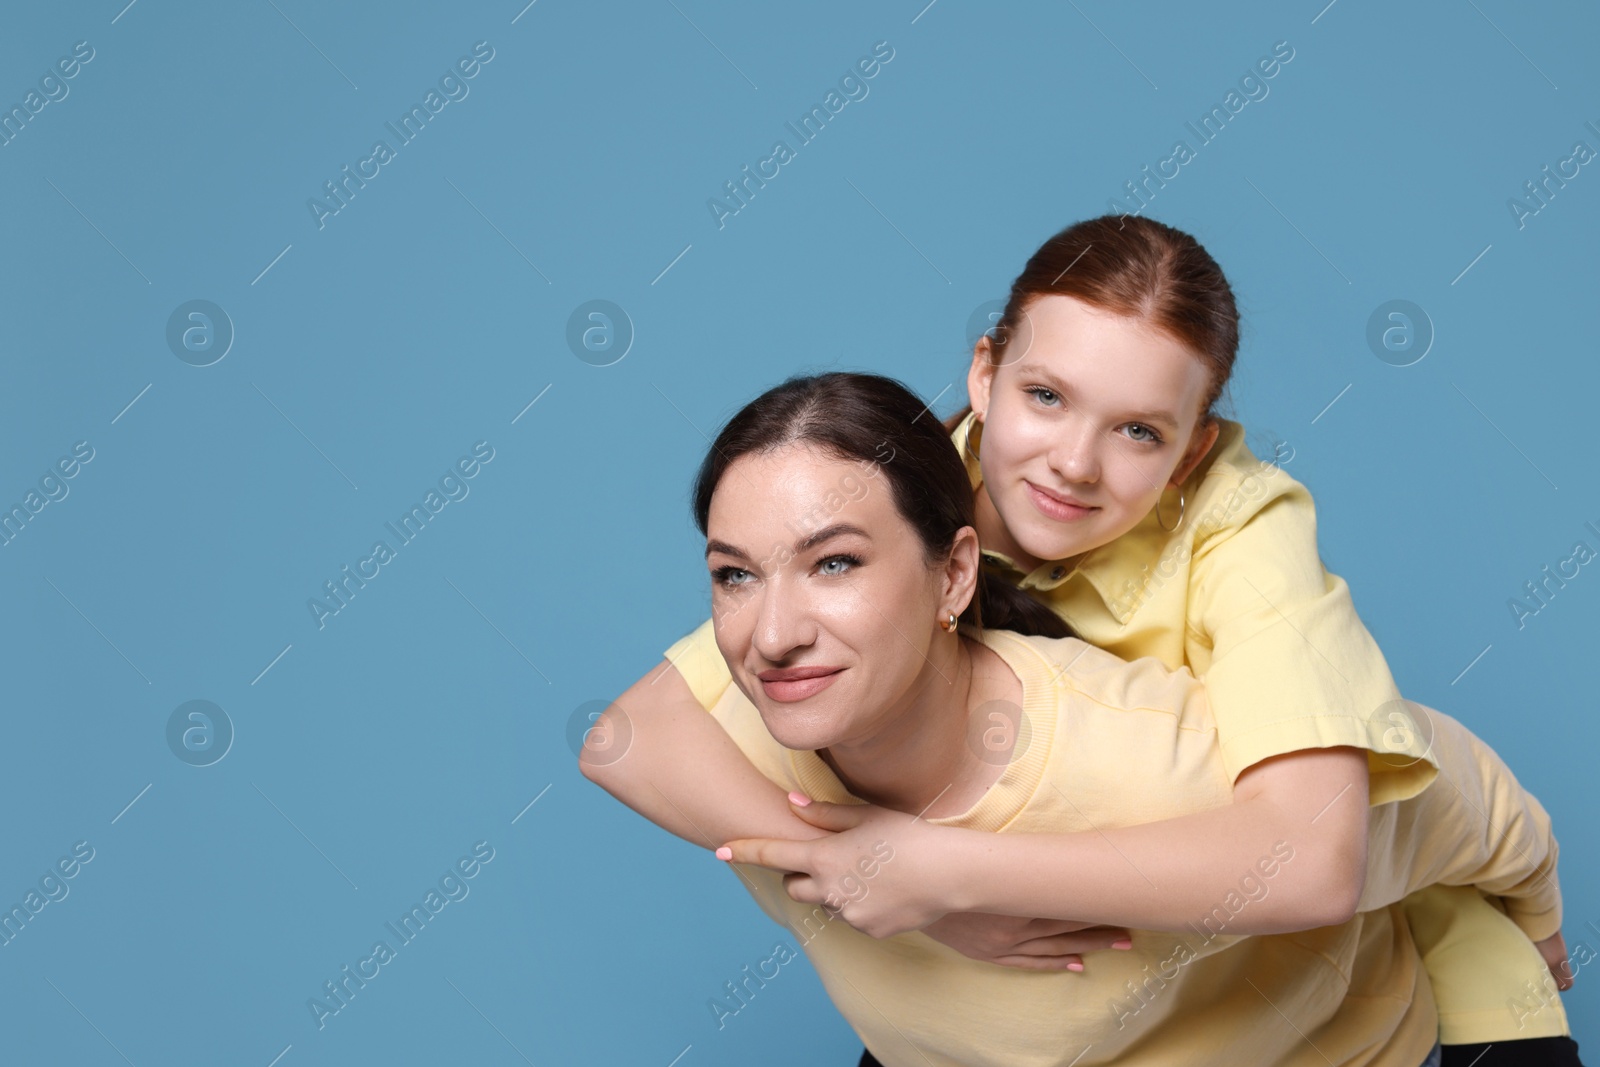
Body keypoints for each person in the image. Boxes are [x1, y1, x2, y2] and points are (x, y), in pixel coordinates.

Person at [583, 217, 1578, 1065]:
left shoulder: (1241, 533)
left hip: (1358, 892)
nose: (1070, 462)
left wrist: (953, 870)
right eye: (1044, 396)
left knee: (1440, 906)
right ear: (984, 373)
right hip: (1032, 993)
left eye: (1137, 431)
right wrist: (881, 873)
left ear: (1191, 447)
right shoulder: (904, 489)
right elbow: (638, 727)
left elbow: (1322, 852)